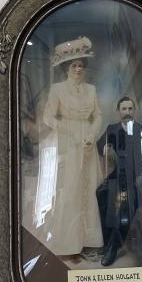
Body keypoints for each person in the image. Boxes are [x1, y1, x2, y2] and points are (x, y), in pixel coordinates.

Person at [43, 36, 103, 258]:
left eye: (81, 66)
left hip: (87, 143)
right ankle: (67, 245)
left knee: (88, 191)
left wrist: (91, 133)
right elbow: (48, 116)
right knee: (70, 191)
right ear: (67, 69)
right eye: (74, 65)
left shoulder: (92, 90)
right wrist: (67, 129)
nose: (78, 69)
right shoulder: (57, 89)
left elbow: (98, 116)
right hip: (68, 144)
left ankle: (89, 242)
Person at [97, 96, 142, 266]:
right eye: (124, 109)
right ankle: (108, 242)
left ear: (134, 110)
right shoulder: (111, 128)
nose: (127, 112)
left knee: (123, 204)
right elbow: (100, 145)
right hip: (117, 176)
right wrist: (105, 147)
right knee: (101, 195)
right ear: (118, 111)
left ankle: (112, 247)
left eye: (130, 109)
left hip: (136, 177)